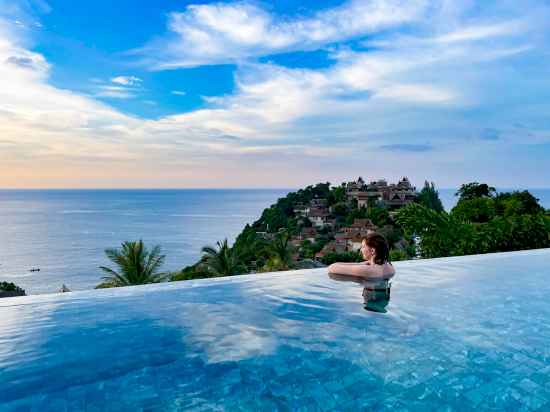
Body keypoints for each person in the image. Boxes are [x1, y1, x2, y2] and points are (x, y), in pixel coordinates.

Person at [328, 233, 395, 279]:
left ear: (372, 251)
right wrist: (364, 263)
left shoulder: (368, 270)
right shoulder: (389, 267)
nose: (360, 250)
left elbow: (332, 268)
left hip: (372, 295)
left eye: (363, 247)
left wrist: (360, 264)